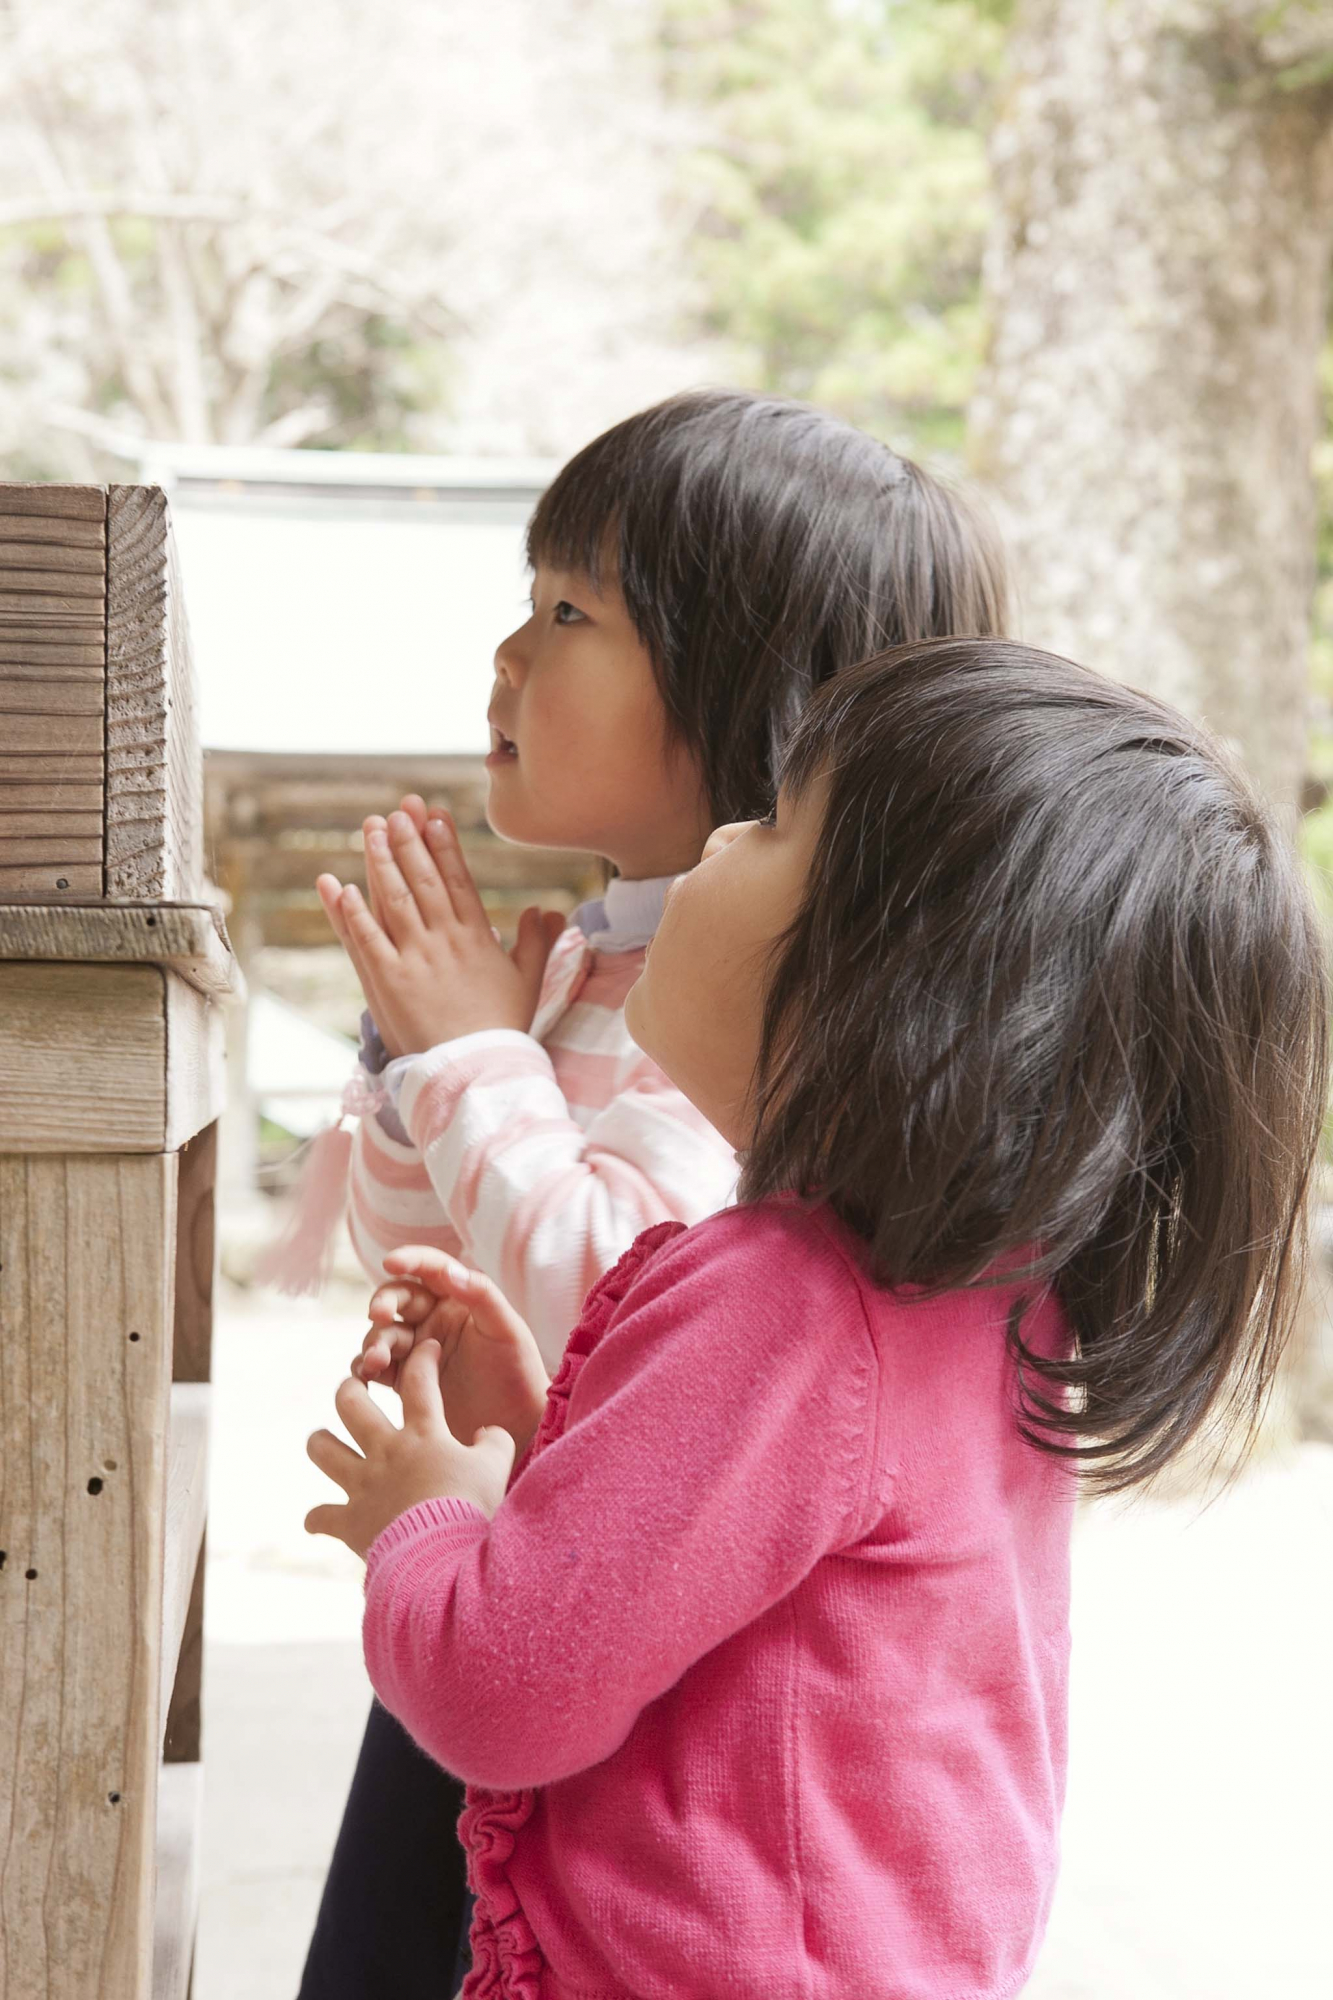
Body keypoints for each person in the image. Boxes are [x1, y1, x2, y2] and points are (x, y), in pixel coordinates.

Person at [306, 638, 1329, 2000]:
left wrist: (425, 1515)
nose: (725, 834)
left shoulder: (784, 1300)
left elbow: (506, 1689)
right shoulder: (994, 1297)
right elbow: (757, 1594)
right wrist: (547, 1439)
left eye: (778, 818)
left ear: (894, 985)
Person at [293, 390, 1010, 1999]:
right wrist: (438, 1061)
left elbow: (652, 1308)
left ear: (752, 689)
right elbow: (450, 1243)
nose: (508, 655)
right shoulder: (609, 949)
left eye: (569, 612)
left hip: (588, 1665)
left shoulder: (747, 1001)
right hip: (502, 1595)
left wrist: (474, 1055)